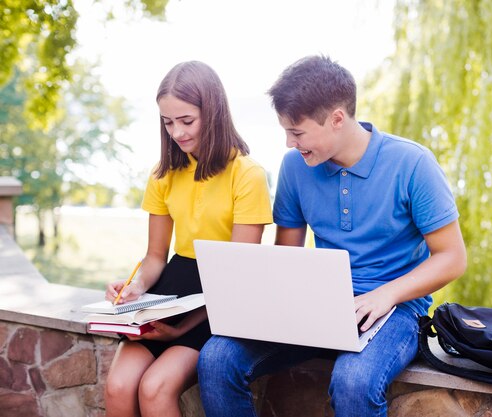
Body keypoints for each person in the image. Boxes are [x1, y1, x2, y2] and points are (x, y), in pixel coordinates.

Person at [196, 55, 467, 416]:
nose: (289, 143)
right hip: (318, 305)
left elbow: (452, 257)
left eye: (297, 132)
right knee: (216, 359)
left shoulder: (413, 164)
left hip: (396, 310)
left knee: (353, 382)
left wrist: (385, 295)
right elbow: (287, 257)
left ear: (337, 119)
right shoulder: (296, 167)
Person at [103, 61, 273, 417]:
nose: (176, 132)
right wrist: (134, 287)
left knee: (154, 388)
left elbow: (237, 275)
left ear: (212, 113)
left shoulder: (247, 174)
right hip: (173, 287)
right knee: (118, 386)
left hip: (219, 298)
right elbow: (154, 256)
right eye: (167, 122)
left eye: (186, 121)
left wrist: (179, 327)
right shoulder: (162, 173)